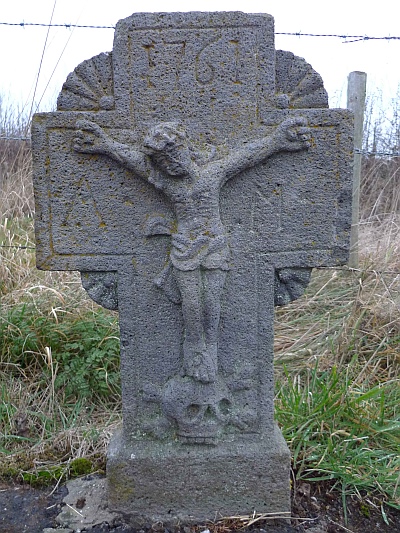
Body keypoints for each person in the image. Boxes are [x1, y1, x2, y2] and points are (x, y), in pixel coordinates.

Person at [73, 117, 310, 383]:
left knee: (212, 301)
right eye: (163, 161)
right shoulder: (167, 183)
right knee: (192, 303)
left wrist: (277, 141)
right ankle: (194, 349)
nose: (171, 164)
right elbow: (135, 162)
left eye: (174, 155)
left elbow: (245, 157)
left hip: (214, 246)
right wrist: (105, 144)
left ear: (185, 149)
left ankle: (212, 349)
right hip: (184, 248)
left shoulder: (213, 174)